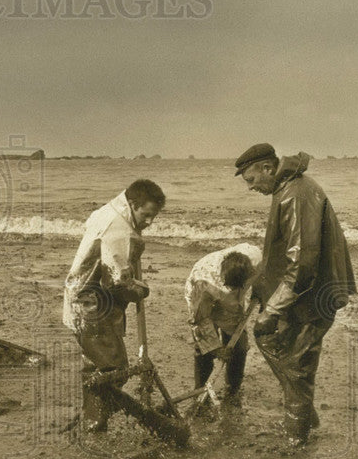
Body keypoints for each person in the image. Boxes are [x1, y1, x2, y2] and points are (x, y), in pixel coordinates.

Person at [234, 143, 356, 443]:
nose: (251, 188)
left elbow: (301, 264)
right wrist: (262, 288)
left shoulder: (295, 194)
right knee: (276, 345)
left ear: (267, 168)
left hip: (313, 296)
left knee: (296, 362)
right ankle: (305, 417)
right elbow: (285, 254)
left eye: (251, 180)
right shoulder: (289, 188)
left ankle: (296, 438)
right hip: (308, 293)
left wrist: (273, 310)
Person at [63, 179, 162, 433]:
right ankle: (96, 419)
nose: (150, 222)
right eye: (146, 215)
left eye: (154, 217)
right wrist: (141, 290)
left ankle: (92, 414)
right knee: (114, 367)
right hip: (92, 305)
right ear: (132, 204)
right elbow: (117, 282)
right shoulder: (118, 228)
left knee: (94, 364)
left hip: (82, 297)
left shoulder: (107, 211)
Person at [184, 243, 262, 408]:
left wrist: (261, 291)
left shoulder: (256, 258)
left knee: (238, 346)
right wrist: (216, 349)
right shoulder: (203, 285)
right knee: (204, 349)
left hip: (233, 297)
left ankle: (232, 389)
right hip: (206, 294)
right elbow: (199, 321)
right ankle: (201, 393)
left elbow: (269, 274)